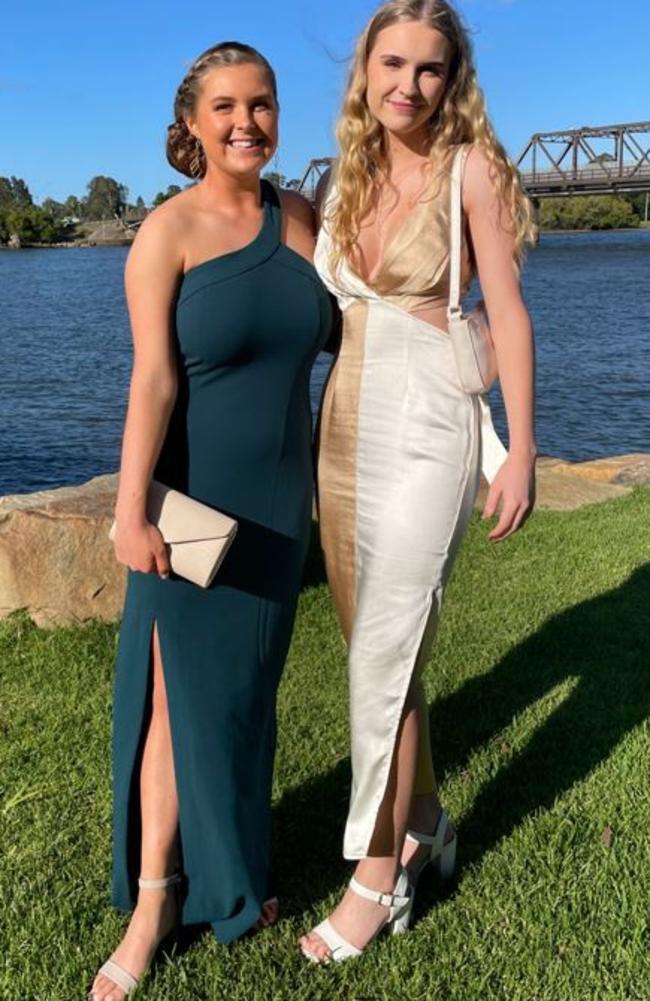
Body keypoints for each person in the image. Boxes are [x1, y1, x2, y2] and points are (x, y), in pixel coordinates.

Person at [90, 41, 332, 1001]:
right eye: (225, 106)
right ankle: (156, 901)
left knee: (241, 703)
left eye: (263, 104)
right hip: (189, 507)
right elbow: (151, 378)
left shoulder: (302, 217)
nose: (247, 122)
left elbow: (364, 320)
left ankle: (234, 876)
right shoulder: (167, 233)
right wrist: (127, 505)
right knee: (172, 708)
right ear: (191, 122)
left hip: (280, 507)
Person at [299, 0, 536, 963]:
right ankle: (430, 818)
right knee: (374, 643)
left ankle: (376, 874)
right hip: (345, 421)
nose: (408, 84)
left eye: (429, 69)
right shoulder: (346, 175)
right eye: (390, 63)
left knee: (386, 646)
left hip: (432, 418)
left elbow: (508, 313)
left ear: (452, 79)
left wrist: (519, 449)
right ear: (364, 71)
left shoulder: (469, 168)